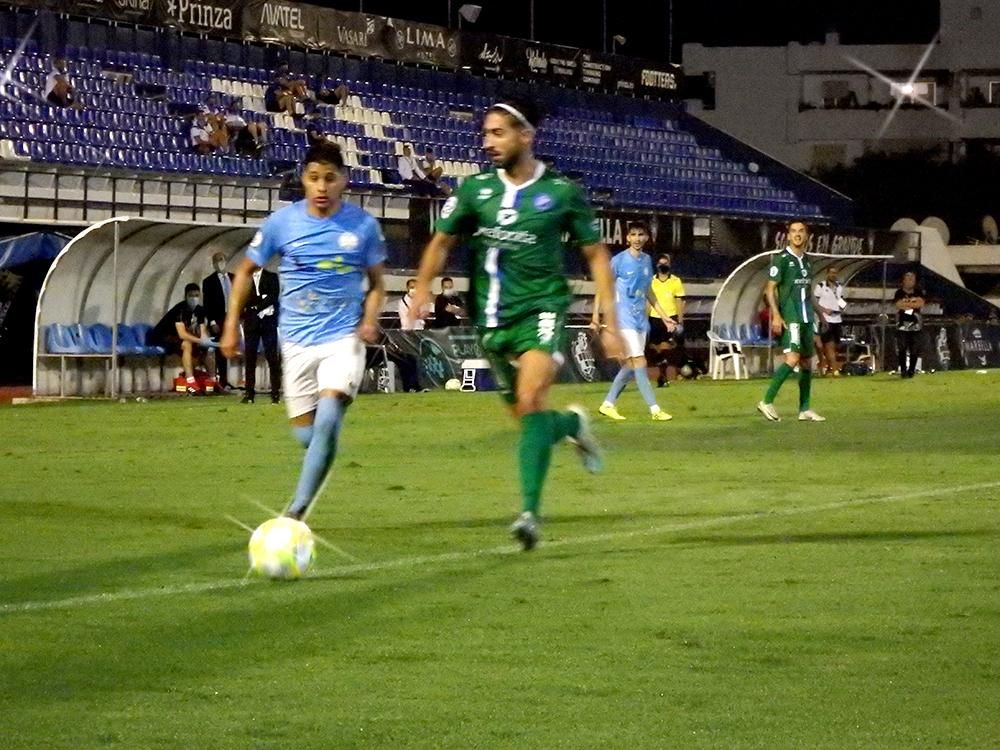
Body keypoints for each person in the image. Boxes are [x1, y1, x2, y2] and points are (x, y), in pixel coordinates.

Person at [412, 96, 624, 551]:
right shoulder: (474, 191)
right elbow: (441, 241)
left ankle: (529, 514)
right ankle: (570, 425)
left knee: (529, 399)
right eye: (485, 133)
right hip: (491, 319)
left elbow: (596, 255)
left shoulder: (563, 193)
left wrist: (609, 320)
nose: (488, 142)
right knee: (527, 418)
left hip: (543, 310)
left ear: (526, 136)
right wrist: (422, 289)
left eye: (498, 133)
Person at [221, 142, 387, 522]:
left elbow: (377, 284)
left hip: (342, 338)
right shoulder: (282, 223)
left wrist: (369, 319)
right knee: (307, 438)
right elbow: (245, 271)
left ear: (344, 179)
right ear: (303, 180)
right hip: (294, 341)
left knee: (328, 417)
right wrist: (231, 327)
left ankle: (295, 511)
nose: (322, 186)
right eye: (314, 178)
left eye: (330, 178)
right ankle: (322, 454)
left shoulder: (363, 226)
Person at [591, 223, 676, 421]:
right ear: (627, 238)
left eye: (641, 235)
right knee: (639, 361)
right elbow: (603, 287)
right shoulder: (619, 261)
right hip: (623, 318)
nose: (637, 238)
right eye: (633, 235)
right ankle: (655, 409)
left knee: (630, 365)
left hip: (640, 320)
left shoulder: (647, 261)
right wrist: (596, 316)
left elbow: (648, 292)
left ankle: (608, 404)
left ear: (647, 238)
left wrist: (663, 315)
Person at [757, 220, 825, 422]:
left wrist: (819, 314)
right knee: (792, 359)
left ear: (807, 236)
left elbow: (807, 291)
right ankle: (766, 401)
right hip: (791, 317)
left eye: (801, 231)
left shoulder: (808, 261)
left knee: (806, 362)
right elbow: (770, 289)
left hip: (806, 317)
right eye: (793, 231)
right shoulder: (781, 259)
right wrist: (776, 315)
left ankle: (804, 408)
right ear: (787, 236)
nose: (797, 234)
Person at [147, 283, 215, 395]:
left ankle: (213, 380)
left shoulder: (200, 311)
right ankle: (190, 381)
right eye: (191, 295)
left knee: (206, 348)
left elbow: (202, 332)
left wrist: (207, 342)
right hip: (164, 337)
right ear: (185, 296)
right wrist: (199, 341)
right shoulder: (180, 310)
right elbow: (182, 334)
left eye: (197, 295)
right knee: (186, 344)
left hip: (179, 337)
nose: (194, 298)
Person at [241, 266, 281, 404]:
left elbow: (273, 297)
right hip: (251, 323)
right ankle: (249, 394)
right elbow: (243, 299)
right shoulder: (244, 278)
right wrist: (261, 299)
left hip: (268, 322)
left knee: (272, 358)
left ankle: (275, 393)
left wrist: (257, 305)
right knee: (250, 359)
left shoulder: (272, 276)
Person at [647, 251, 686, 387]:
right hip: (654, 317)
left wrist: (680, 320)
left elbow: (679, 301)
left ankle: (662, 375)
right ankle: (661, 363)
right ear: (657, 265)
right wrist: (645, 318)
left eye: (666, 263)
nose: (663, 266)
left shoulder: (675, 281)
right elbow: (648, 300)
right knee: (653, 347)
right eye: (661, 263)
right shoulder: (651, 281)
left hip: (670, 317)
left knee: (666, 346)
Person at [202, 252, 233, 391]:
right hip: (219, 318)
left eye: (222, 260)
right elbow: (207, 304)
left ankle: (227, 380)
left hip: (232, 317)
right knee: (221, 350)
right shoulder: (209, 281)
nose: (220, 263)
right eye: (217, 261)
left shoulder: (233, 278)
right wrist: (212, 322)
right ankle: (222, 381)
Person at [814, 265, 846, 375]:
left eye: (835, 273)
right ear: (827, 274)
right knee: (829, 345)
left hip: (837, 319)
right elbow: (815, 303)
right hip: (825, 320)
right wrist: (824, 310)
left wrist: (842, 307)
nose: (833, 275)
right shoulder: (821, 286)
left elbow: (841, 301)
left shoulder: (839, 287)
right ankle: (835, 369)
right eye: (831, 273)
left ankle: (827, 366)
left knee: (836, 345)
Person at [894, 270, 925, 378]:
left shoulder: (919, 292)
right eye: (908, 279)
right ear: (903, 281)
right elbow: (899, 305)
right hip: (902, 324)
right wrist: (912, 303)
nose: (910, 281)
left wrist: (907, 303)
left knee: (914, 349)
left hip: (916, 325)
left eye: (912, 279)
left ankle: (911, 370)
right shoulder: (899, 293)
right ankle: (903, 370)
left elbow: (920, 304)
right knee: (902, 348)